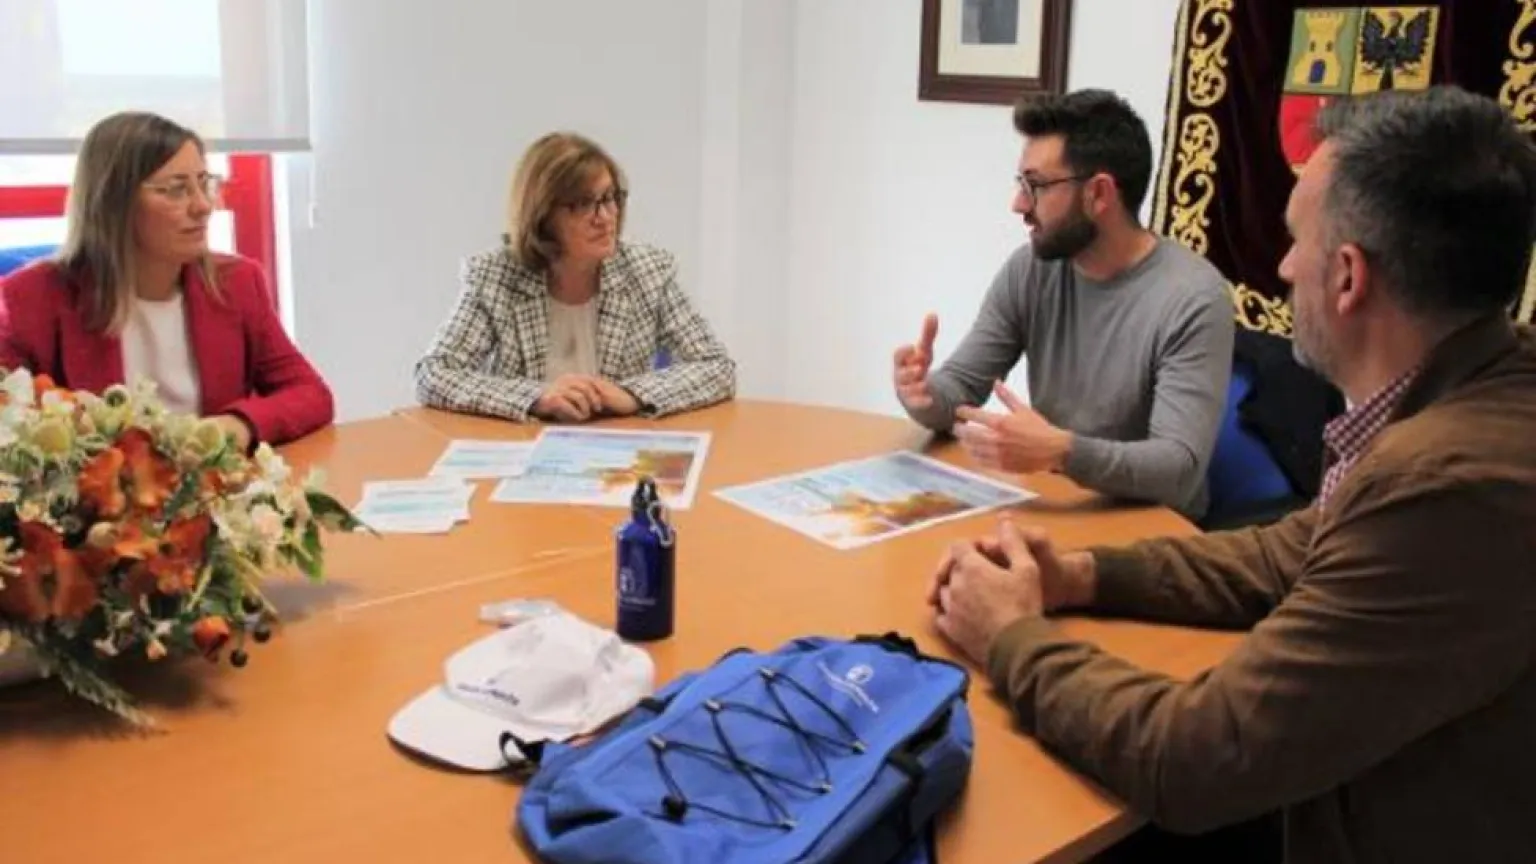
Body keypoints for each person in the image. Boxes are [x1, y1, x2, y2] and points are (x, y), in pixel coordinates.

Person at [928, 86, 1536, 862]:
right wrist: (1079, 575)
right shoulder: (1482, 393)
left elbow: (1193, 758)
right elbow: (1290, 554)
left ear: (1348, 278)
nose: (1282, 267)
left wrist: (1010, 635)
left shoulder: (1447, 490)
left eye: (1296, 240)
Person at [894, 89, 1233, 520]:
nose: (1018, 204)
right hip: (1056, 503)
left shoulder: (1194, 298)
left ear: (1099, 194)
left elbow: (1178, 470)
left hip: (1154, 529)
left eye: (1035, 186)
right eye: (1021, 184)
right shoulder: (1031, 270)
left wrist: (1062, 452)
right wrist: (924, 395)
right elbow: (959, 389)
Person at [0, 111, 333, 450]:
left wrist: (237, 425)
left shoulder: (236, 283)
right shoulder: (32, 298)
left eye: (204, 183)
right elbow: (7, 425)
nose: (203, 206)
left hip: (212, 480)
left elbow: (310, 393)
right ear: (114, 203)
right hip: (103, 483)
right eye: (176, 190)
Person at [414, 132, 735, 423]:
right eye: (583, 205)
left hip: (618, 446)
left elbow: (717, 367)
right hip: (524, 447)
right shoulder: (495, 276)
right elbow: (434, 374)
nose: (605, 217)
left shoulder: (647, 271)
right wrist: (535, 398)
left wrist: (632, 394)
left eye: (610, 198)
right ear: (542, 215)